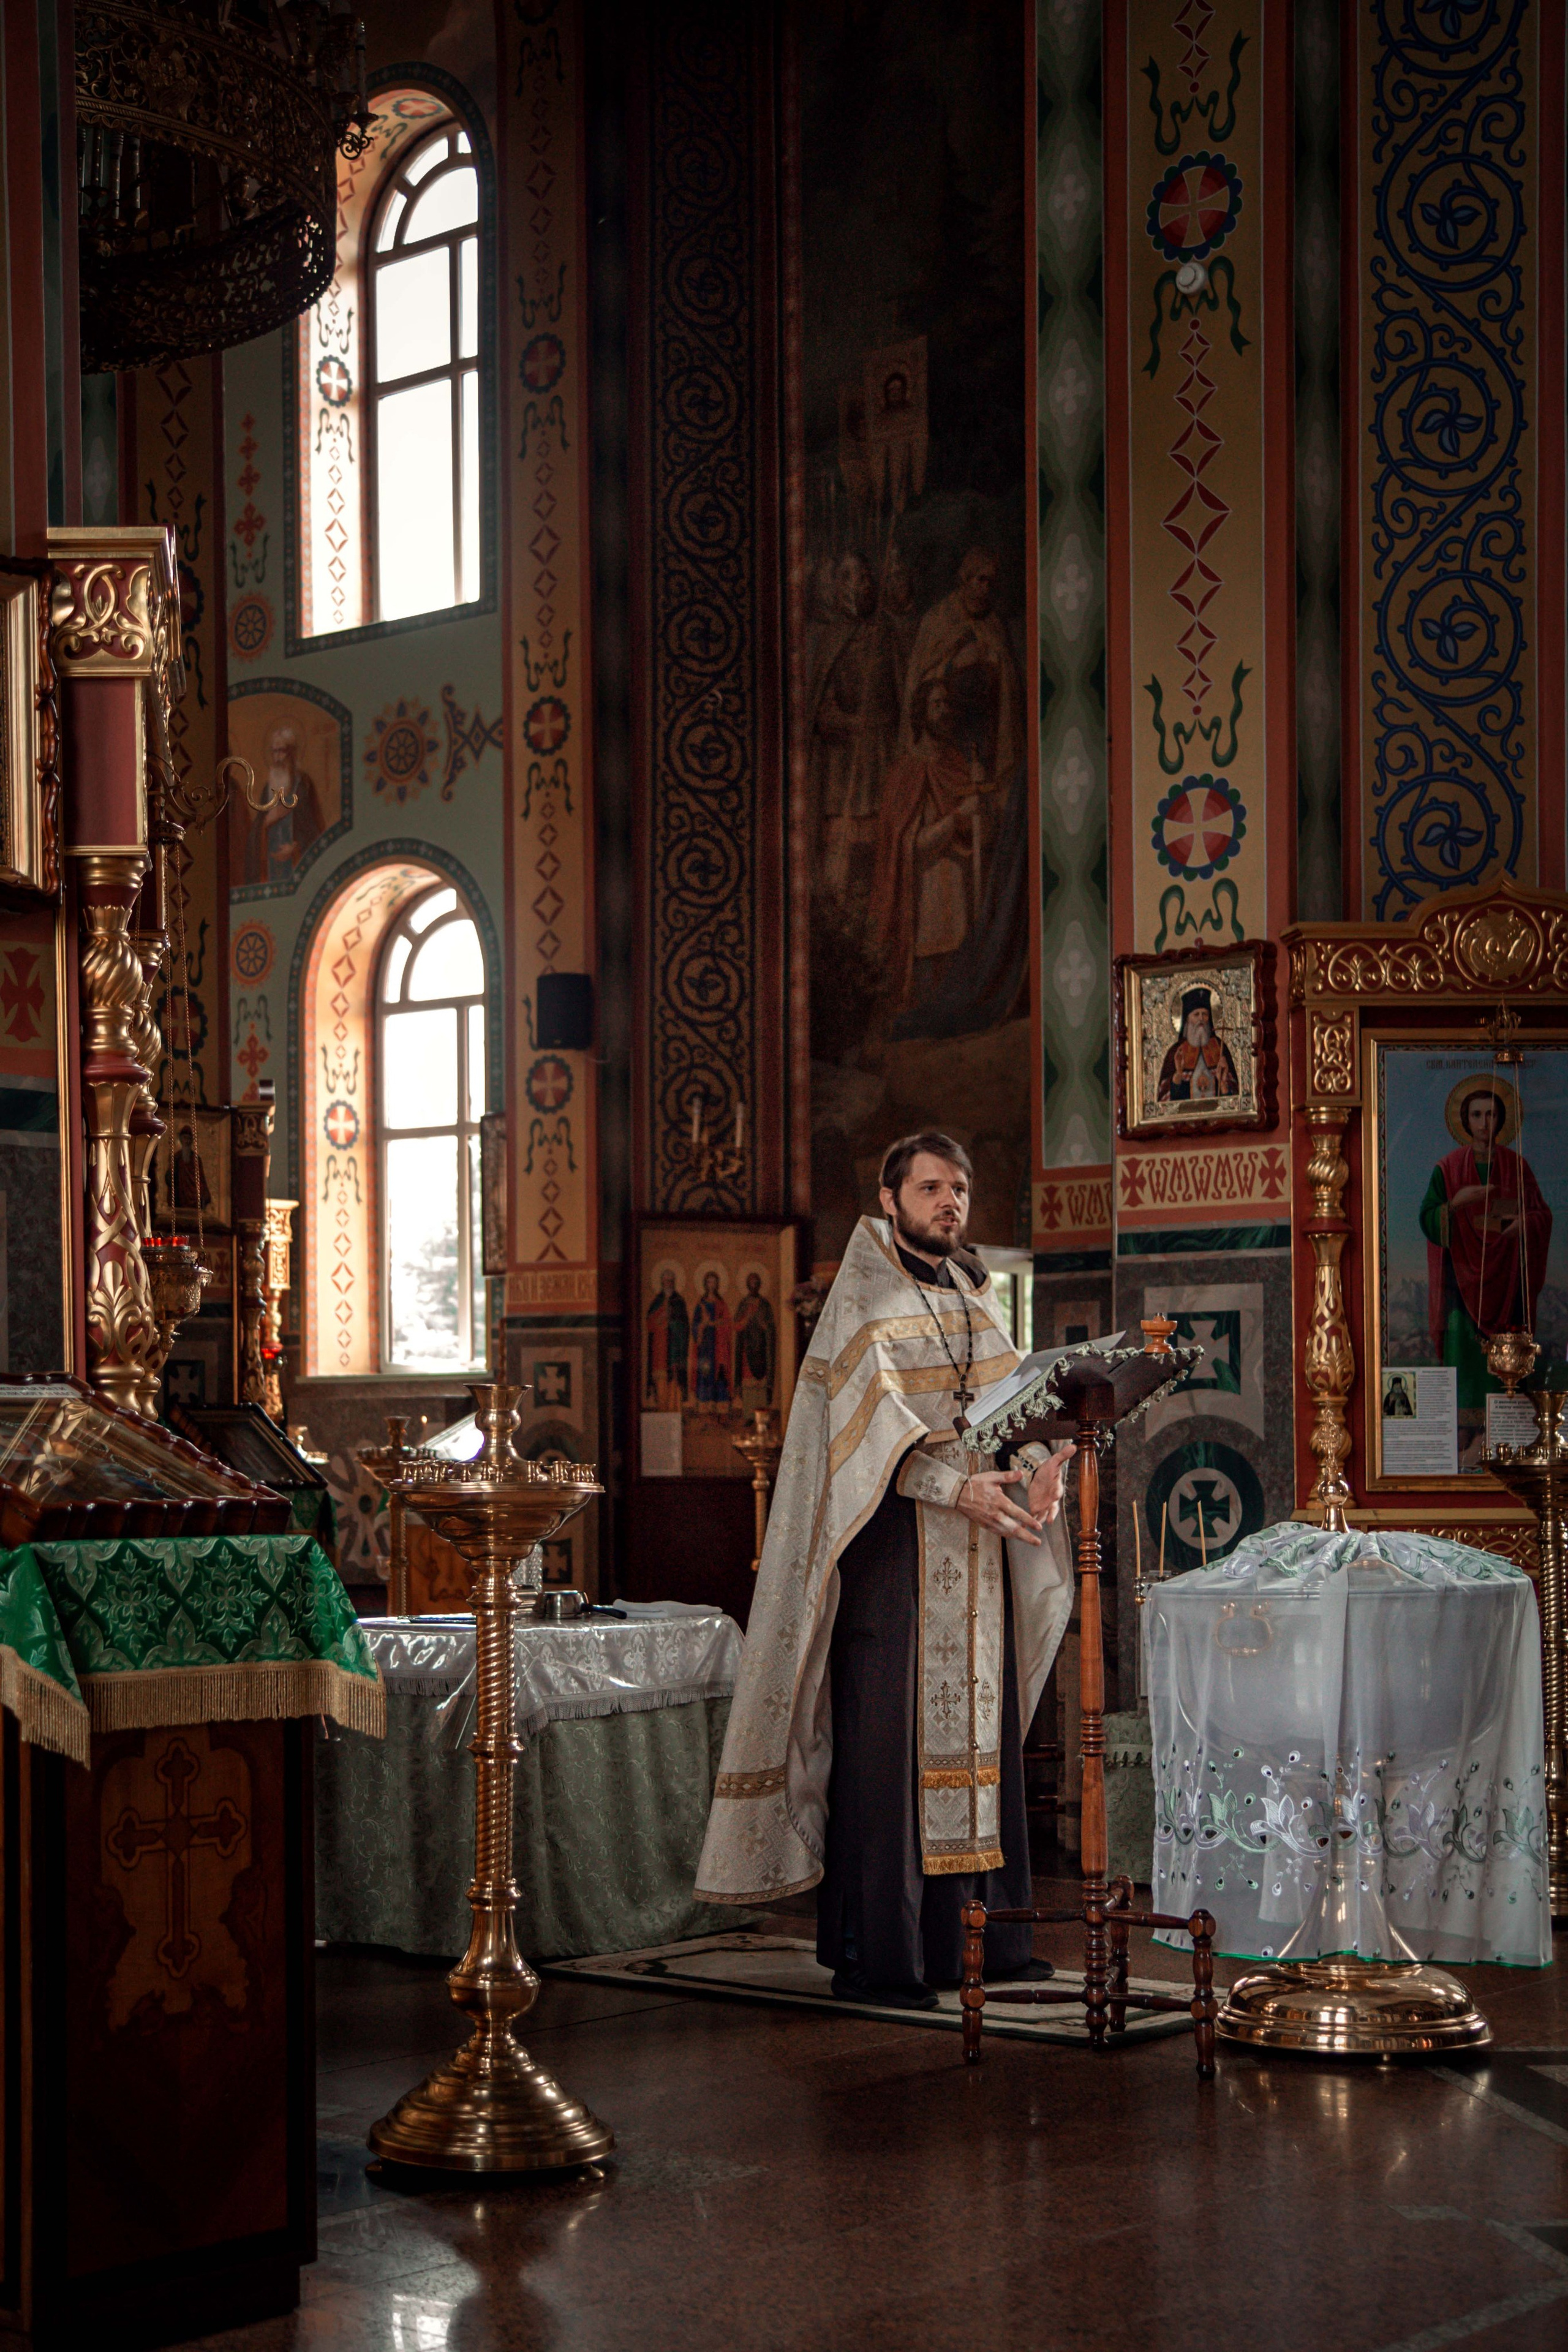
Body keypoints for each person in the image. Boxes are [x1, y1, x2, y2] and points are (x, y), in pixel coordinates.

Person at [698, 1131, 1074, 2007]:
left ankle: (988, 1943)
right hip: (893, 1559)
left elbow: (1018, 1409)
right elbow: (852, 1455)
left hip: (977, 1565)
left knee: (982, 1746)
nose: (951, 1203)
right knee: (891, 1756)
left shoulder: (976, 1302)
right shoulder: (863, 1306)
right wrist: (956, 1489)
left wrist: (1047, 1466)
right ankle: (887, 1954)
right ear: (890, 1198)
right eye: (933, 1187)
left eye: (962, 1189)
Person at [1421, 1081, 1551, 1411]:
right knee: (1463, 1353)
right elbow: (1428, 1218)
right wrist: (1454, 1205)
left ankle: (1506, 1423)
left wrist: (1524, 1224)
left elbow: (1541, 1215)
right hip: (1462, 1284)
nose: (1484, 1122)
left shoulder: (1517, 1167)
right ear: (1465, 1120)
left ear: (1501, 1119)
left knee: (1509, 1364)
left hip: (1508, 1284)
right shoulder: (1448, 1169)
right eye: (1476, 1115)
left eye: (1491, 1114)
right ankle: (1464, 1429)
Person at [868, 675, 993, 1008]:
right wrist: (958, 817)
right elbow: (912, 847)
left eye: (948, 704)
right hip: (926, 907)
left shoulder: (958, 764)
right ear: (921, 712)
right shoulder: (906, 772)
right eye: (936, 704)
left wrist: (982, 807)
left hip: (962, 902)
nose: (944, 711)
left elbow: (982, 838)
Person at [899, 545, 1025, 795]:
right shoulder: (938, 620)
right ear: (966, 578)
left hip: (986, 730)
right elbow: (919, 684)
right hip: (948, 730)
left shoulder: (994, 625)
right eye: (980, 579)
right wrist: (954, 665)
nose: (985, 588)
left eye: (991, 582)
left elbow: (1009, 687)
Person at [243, 725, 326, 886]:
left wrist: (296, 847)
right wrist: (267, 822)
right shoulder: (268, 789)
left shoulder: (303, 786)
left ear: (292, 753)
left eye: (281, 751)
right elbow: (255, 834)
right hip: (270, 870)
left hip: (297, 868)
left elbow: (313, 829)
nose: (277, 758)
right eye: (274, 752)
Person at [1156, 987, 1239, 1107]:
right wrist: (1179, 1074)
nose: (1201, 1018)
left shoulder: (1220, 1047)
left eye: (1205, 1014)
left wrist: (1224, 1083)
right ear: (1187, 1020)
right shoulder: (1177, 1052)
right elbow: (1165, 1102)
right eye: (1196, 1014)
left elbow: (1235, 1099)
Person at [644, 1268, 690, 1409]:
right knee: (660, 1380)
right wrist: (660, 1320)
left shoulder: (679, 1302)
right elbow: (649, 1324)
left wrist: (671, 1322)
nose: (668, 1284)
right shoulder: (657, 1302)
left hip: (675, 1349)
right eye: (666, 1281)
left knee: (674, 1382)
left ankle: (675, 1412)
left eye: (671, 1281)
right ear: (662, 1282)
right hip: (660, 1347)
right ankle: (661, 1411)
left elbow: (684, 1326)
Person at [733, 1270, 777, 1409]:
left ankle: (762, 1415)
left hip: (763, 1350)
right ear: (747, 1285)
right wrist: (747, 1318)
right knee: (748, 1381)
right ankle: (749, 1414)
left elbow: (771, 1328)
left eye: (756, 1282)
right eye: (751, 1282)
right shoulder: (743, 1304)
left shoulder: (765, 1305)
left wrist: (764, 1325)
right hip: (747, 1348)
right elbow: (737, 1325)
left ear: (760, 1285)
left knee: (761, 1383)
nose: (754, 1285)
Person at [691, 1270, 733, 1409]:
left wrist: (714, 1323)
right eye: (709, 1282)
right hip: (705, 1345)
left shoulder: (721, 1304)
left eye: (714, 1282)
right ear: (705, 1284)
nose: (712, 1285)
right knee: (705, 1371)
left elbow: (727, 1323)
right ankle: (705, 1405)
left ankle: (720, 1406)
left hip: (719, 1346)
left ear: (717, 1284)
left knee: (720, 1374)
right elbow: (695, 1325)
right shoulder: (701, 1304)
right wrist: (703, 1325)